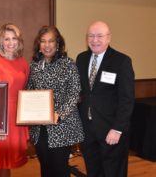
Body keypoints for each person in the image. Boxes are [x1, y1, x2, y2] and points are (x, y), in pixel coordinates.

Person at [76, 21, 135, 177]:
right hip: (88, 130)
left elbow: (127, 100)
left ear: (108, 38)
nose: (95, 40)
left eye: (100, 36)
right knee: (93, 170)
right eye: (91, 36)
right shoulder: (81, 59)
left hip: (111, 130)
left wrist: (117, 129)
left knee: (113, 172)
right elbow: (82, 93)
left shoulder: (121, 61)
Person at [26, 25, 84, 177]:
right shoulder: (34, 65)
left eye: (51, 41)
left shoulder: (68, 64)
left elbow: (74, 93)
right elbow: (30, 91)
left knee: (60, 168)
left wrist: (59, 113)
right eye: (43, 41)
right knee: (45, 167)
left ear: (58, 43)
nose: (47, 45)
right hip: (39, 128)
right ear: (38, 44)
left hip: (61, 126)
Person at [0, 24, 29, 177]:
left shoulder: (23, 63)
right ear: (0, 42)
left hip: (16, 118)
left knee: (6, 162)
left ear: (19, 41)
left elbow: (26, 91)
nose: (10, 42)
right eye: (6, 39)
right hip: (0, 118)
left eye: (14, 38)